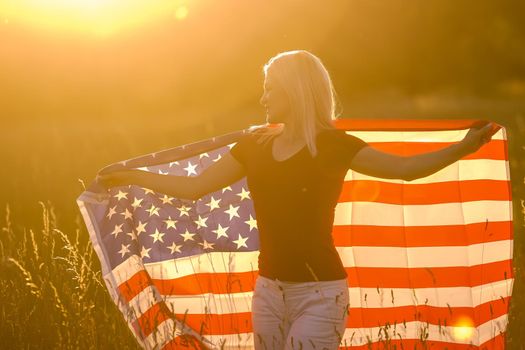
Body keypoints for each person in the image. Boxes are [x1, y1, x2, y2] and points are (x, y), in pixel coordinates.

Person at [98, 50, 496, 350]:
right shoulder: (254, 145)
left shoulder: (334, 145)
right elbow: (193, 187)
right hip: (268, 292)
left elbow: (405, 170)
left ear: (295, 90)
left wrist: (463, 148)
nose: (264, 98)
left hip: (322, 295)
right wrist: (129, 176)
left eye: (271, 88)